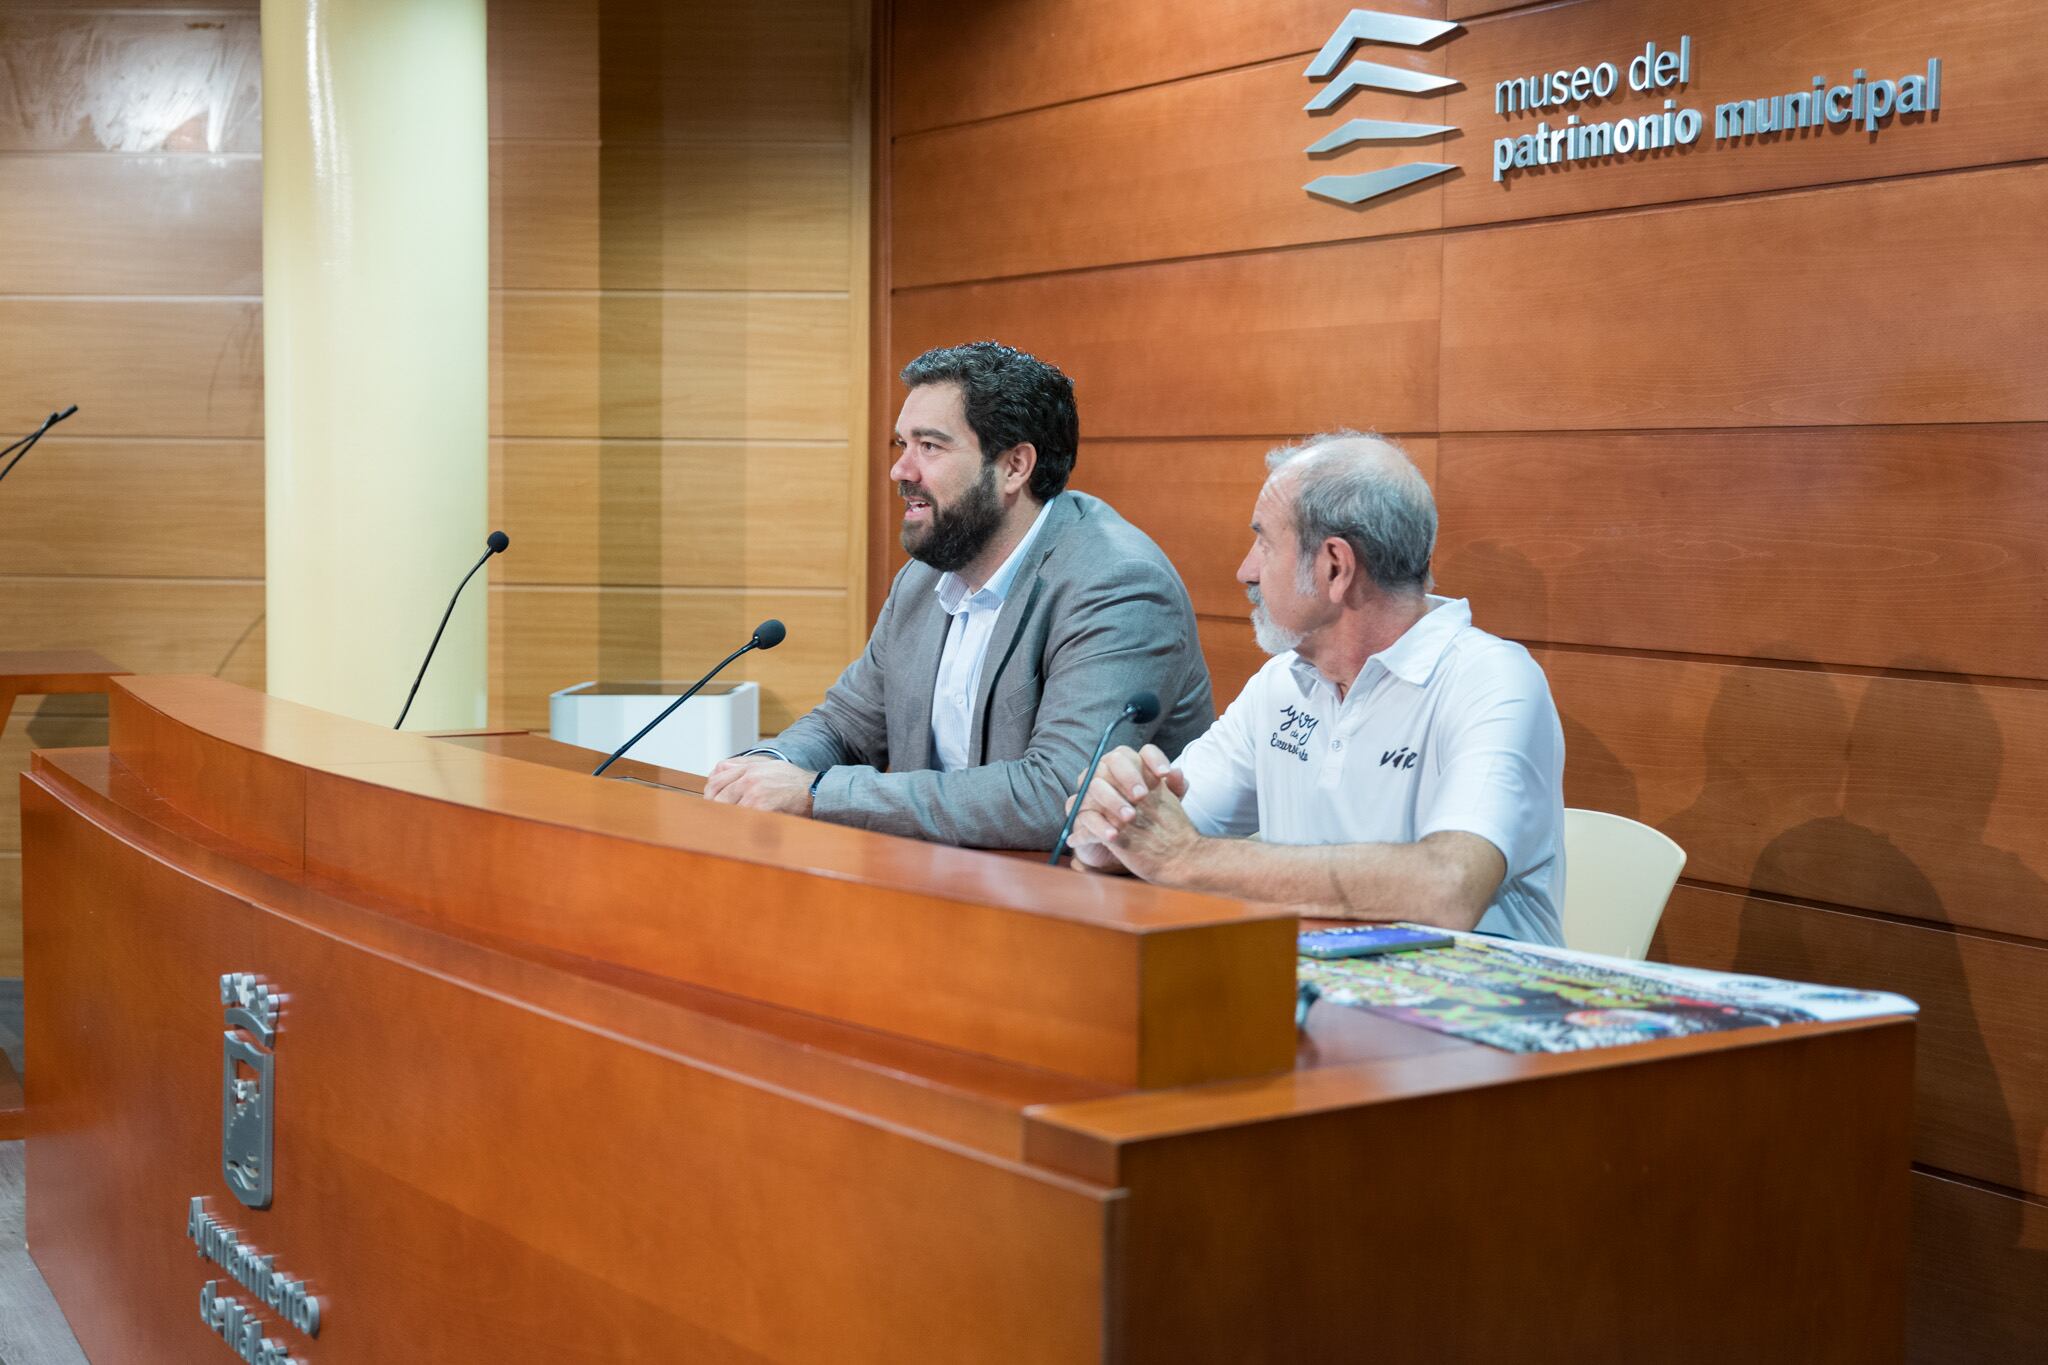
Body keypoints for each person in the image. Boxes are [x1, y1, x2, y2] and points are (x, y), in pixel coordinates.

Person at [705, 341, 1214, 849]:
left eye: (929, 446)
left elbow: (1059, 795)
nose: (901, 471)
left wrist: (819, 793)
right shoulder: (923, 579)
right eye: (901, 445)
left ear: (1015, 466)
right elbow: (847, 726)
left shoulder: (1117, 585)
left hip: (1085, 902)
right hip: (943, 886)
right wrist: (765, 767)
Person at [1065, 432, 1566, 945]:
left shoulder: (1490, 679)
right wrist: (1113, 822)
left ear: (1334, 567)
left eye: (1264, 541)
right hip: (1318, 993)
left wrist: (1187, 857)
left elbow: (1449, 887)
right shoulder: (1282, 682)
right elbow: (1159, 837)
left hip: (1475, 1008)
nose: (1247, 570)